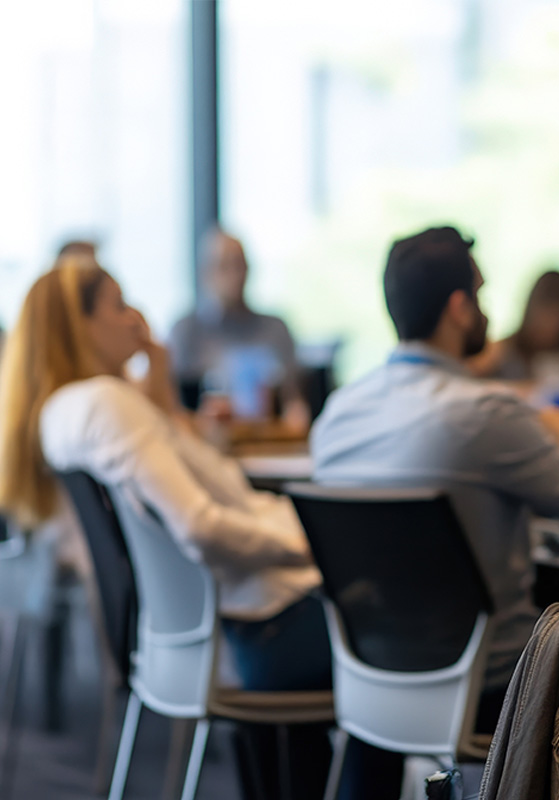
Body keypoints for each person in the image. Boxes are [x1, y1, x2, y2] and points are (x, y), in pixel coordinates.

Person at [0, 255, 339, 799]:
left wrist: (155, 371)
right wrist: (317, 548)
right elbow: (201, 525)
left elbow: (185, 464)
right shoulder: (105, 405)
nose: (135, 314)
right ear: (81, 324)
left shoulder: (73, 408)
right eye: (118, 304)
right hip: (259, 620)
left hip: (218, 625)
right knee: (418, 642)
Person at [310, 226, 559, 728]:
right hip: (495, 684)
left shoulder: (335, 418)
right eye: (481, 295)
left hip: (372, 678)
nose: (488, 312)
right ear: (458, 308)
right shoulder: (486, 413)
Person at [168, 229, 310, 429]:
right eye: (224, 266)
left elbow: (295, 401)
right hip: (210, 445)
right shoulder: (187, 332)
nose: (235, 275)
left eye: (240, 265)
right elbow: (173, 408)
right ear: (206, 273)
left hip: (270, 443)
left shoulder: (275, 329)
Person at [469, 269, 559, 390]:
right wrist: (527, 390)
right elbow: (468, 382)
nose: (549, 323)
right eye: (545, 312)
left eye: (557, 314)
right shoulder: (502, 349)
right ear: (531, 308)